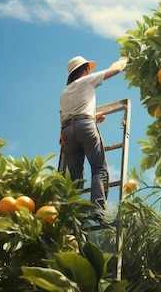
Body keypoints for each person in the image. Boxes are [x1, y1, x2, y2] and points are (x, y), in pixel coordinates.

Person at [59, 55, 129, 223]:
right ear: (86, 70)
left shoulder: (65, 92)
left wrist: (94, 116)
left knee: (75, 178)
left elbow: (72, 116)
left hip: (66, 132)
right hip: (84, 126)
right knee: (98, 169)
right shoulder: (87, 80)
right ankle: (97, 210)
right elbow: (117, 69)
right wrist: (125, 59)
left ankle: (71, 216)